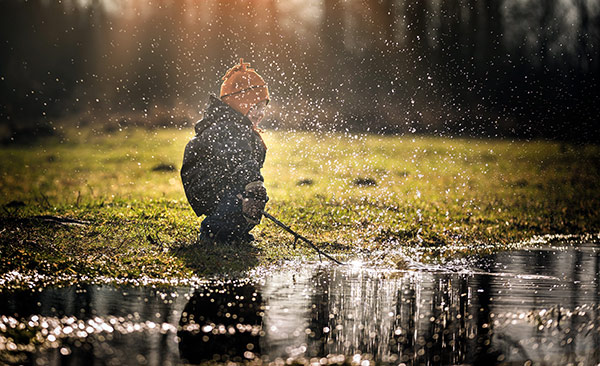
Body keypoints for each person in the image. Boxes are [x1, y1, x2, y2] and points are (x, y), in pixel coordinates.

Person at [181, 59, 269, 244]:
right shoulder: (228, 127)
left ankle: (235, 233)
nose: (261, 113)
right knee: (245, 198)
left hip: (223, 181)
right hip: (207, 184)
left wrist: (253, 190)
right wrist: (253, 185)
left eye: (264, 107)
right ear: (241, 104)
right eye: (256, 106)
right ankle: (214, 232)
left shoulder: (242, 129)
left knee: (250, 200)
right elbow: (240, 158)